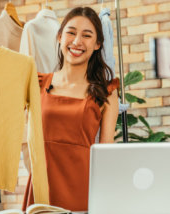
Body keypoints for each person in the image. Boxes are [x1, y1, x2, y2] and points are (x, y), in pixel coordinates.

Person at [21, 7, 119, 211]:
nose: (77, 42)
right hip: (41, 191)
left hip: (83, 192)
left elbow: (107, 155)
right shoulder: (36, 83)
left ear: (98, 44)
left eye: (87, 35)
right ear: (59, 37)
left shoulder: (106, 92)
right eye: (71, 32)